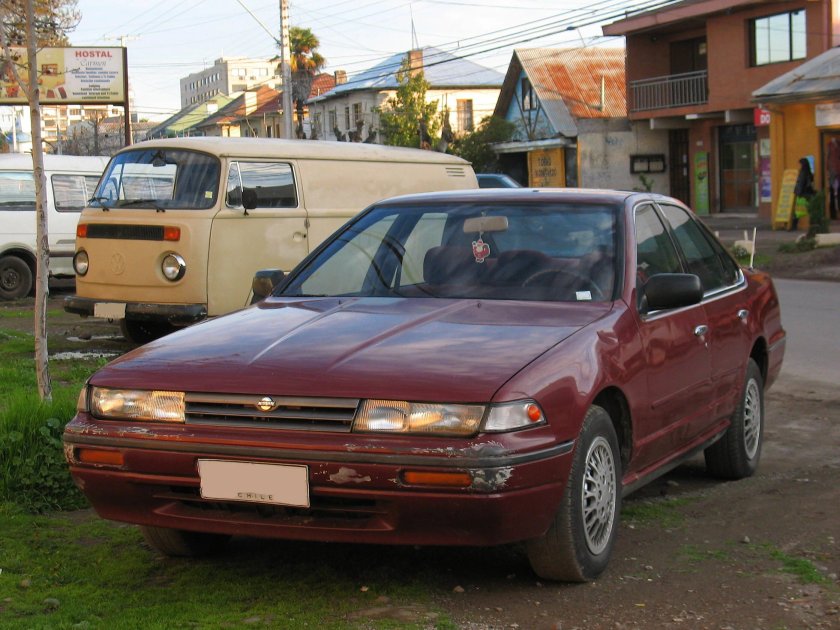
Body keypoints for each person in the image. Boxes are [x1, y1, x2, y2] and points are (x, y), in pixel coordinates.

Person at [793, 157, 815, 229]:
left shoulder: (803, 172)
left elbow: (801, 183)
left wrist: (798, 192)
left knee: (799, 210)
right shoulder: (808, 172)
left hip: (803, 193)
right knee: (810, 209)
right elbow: (810, 181)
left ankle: (794, 225)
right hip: (808, 192)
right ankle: (813, 224)